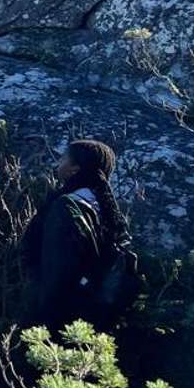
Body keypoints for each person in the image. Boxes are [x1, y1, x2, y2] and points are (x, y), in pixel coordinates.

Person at [21, 139, 131, 330]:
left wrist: (42, 317)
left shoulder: (66, 206)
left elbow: (57, 267)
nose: (58, 163)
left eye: (63, 158)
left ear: (74, 170)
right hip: (93, 311)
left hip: (61, 313)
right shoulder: (104, 208)